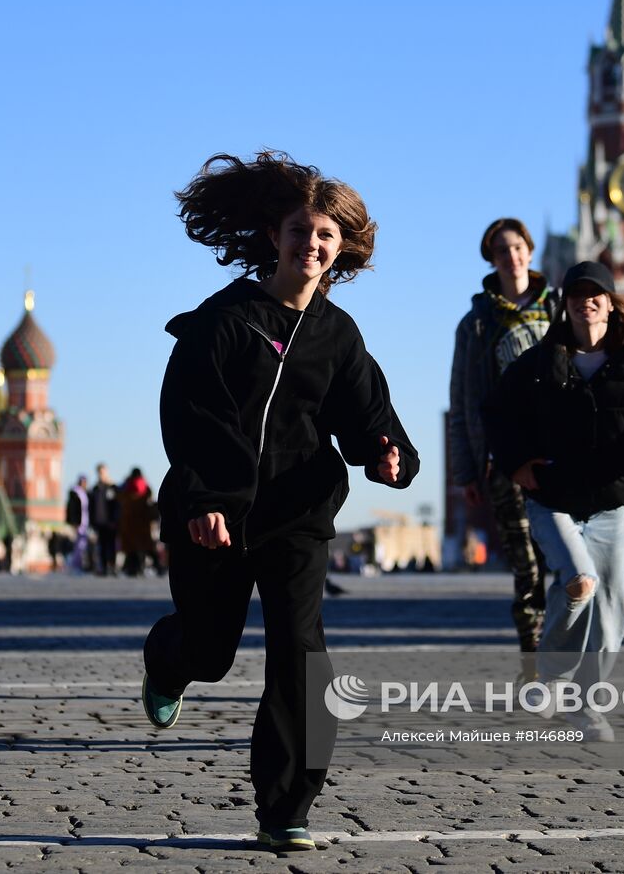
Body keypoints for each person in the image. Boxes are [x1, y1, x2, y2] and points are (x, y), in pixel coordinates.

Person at [141, 151, 419, 851]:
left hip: (298, 516)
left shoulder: (337, 334)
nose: (312, 244)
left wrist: (391, 455)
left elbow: (370, 416)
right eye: (300, 230)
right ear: (276, 236)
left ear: (339, 247)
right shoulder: (226, 320)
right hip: (216, 519)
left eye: (326, 235)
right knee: (210, 652)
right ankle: (168, 660)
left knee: (303, 656)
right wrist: (205, 498)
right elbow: (190, 414)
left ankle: (287, 807)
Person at [487, 260, 624, 742]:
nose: (586, 301)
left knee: (611, 609)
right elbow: (496, 414)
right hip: (553, 497)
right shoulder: (540, 363)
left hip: (611, 501)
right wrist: (516, 463)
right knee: (579, 581)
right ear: (565, 305)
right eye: (576, 293)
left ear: (610, 303)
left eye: (595, 293)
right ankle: (551, 674)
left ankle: (585, 708)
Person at [447, 217, 557, 657]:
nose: (511, 257)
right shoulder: (476, 324)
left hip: (559, 456)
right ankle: (535, 661)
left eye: (517, 247)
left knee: (565, 563)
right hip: (503, 460)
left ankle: (564, 654)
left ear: (529, 252)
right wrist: (466, 471)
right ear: (491, 260)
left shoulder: (559, 310)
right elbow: (462, 402)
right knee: (527, 567)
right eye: (501, 251)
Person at [119, 468, 157, 577]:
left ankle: (132, 569)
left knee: (131, 549)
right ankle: (142, 567)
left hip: (129, 522)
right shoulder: (145, 486)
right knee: (142, 547)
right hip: (143, 522)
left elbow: (120, 498)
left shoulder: (126, 485)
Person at [90, 463, 121, 575]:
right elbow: (91, 507)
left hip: (111, 522)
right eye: (99, 472)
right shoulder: (95, 489)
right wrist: (92, 521)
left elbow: (117, 505)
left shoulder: (112, 487)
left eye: (102, 472)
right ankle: (103, 567)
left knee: (112, 545)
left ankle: (112, 567)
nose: (101, 474)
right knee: (102, 545)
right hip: (99, 522)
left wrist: (115, 519)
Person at [65, 476, 91, 574]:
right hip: (78, 523)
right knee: (78, 546)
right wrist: (74, 522)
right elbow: (72, 509)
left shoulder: (84, 493)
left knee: (82, 545)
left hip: (84, 523)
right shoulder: (75, 493)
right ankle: (75, 566)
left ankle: (78, 565)